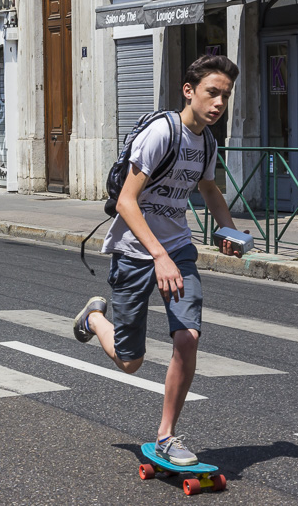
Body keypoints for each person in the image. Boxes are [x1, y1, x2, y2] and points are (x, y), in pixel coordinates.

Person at [74, 55, 244, 466]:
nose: (219, 103)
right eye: (212, 93)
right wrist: (158, 256)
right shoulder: (161, 133)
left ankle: (166, 436)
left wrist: (228, 230)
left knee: (188, 337)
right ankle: (94, 319)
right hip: (136, 251)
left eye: (225, 96)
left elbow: (208, 189)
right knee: (131, 361)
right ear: (189, 91)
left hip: (178, 248)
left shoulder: (207, 142)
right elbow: (126, 201)